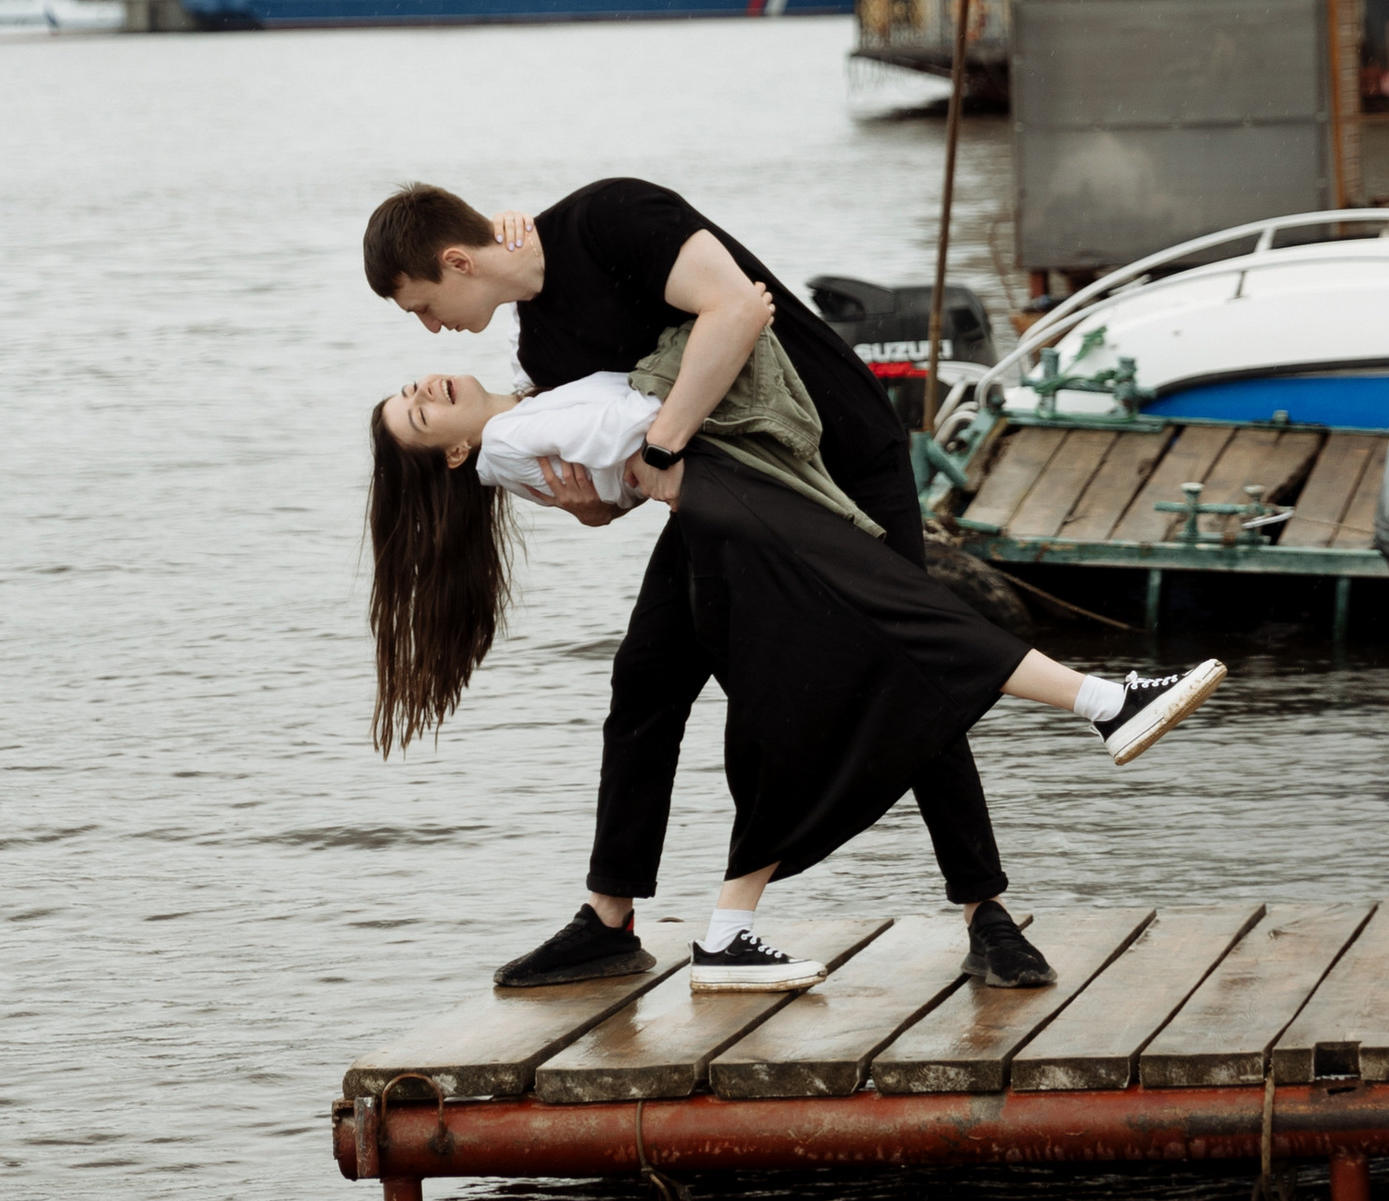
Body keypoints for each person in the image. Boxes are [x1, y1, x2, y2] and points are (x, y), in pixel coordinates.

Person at [363, 177, 1222, 993]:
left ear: (457, 263)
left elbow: (737, 310)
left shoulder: (609, 220)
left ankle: (984, 909)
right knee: (645, 682)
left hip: (841, 454)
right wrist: (590, 504)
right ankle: (611, 919)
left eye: (425, 309)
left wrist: (660, 450)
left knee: (905, 654)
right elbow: (620, 472)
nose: (434, 333)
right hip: (730, 493)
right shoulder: (542, 346)